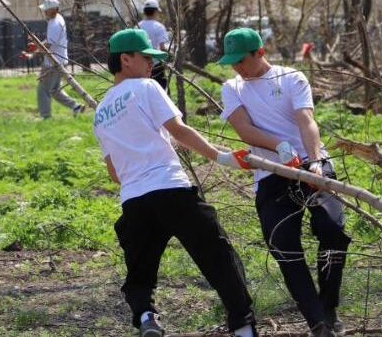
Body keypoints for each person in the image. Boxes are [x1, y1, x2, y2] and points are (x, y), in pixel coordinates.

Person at [93, 28, 260, 337]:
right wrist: (219, 156)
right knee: (218, 256)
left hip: (134, 200)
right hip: (171, 189)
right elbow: (179, 130)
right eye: (146, 58)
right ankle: (243, 327)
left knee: (140, 271)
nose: (150, 65)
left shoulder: (100, 112)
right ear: (126, 60)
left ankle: (146, 317)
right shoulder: (146, 87)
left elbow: (114, 173)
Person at [217, 28, 351, 337]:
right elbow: (243, 129)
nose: (237, 67)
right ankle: (317, 321)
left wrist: (315, 162)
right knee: (283, 244)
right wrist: (278, 145)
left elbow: (306, 120)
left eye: (241, 60)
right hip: (270, 173)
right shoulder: (232, 87)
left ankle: (328, 306)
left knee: (332, 230)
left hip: (308, 164)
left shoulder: (291, 78)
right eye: (231, 62)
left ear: (259, 53)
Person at [35, 0, 84, 119]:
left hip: (53, 62)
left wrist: (34, 51)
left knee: (43, 90)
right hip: (58, 60)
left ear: (54, 10)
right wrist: (37, 46)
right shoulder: (55, 20)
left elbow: (49, 44)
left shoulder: (56, 23)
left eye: (46, 10)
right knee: (54, 90)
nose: (44, 12)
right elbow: (49, 40)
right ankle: (75, 106)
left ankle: (46, 117)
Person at [137, 0, 170, 91]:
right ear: (155, 11)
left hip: (140, 65)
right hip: (156, 66)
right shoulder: (159, 27)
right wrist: (167, 61)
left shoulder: (138, 26)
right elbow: (162, 48)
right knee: (161, 91)